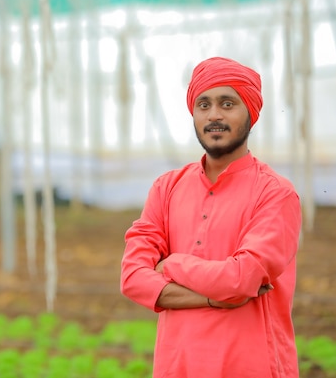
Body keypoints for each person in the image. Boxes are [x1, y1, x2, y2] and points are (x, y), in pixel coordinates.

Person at [120, 56, 302, 378]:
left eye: (227, 103)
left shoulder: (275, 194)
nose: (214, 115)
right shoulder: (166, 188)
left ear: (251, 112)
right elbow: (133, 277)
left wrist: (172, 263)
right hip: (177, 367)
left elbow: (242, 279)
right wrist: (213, 298)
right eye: (203, 105)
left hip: (251, 367)